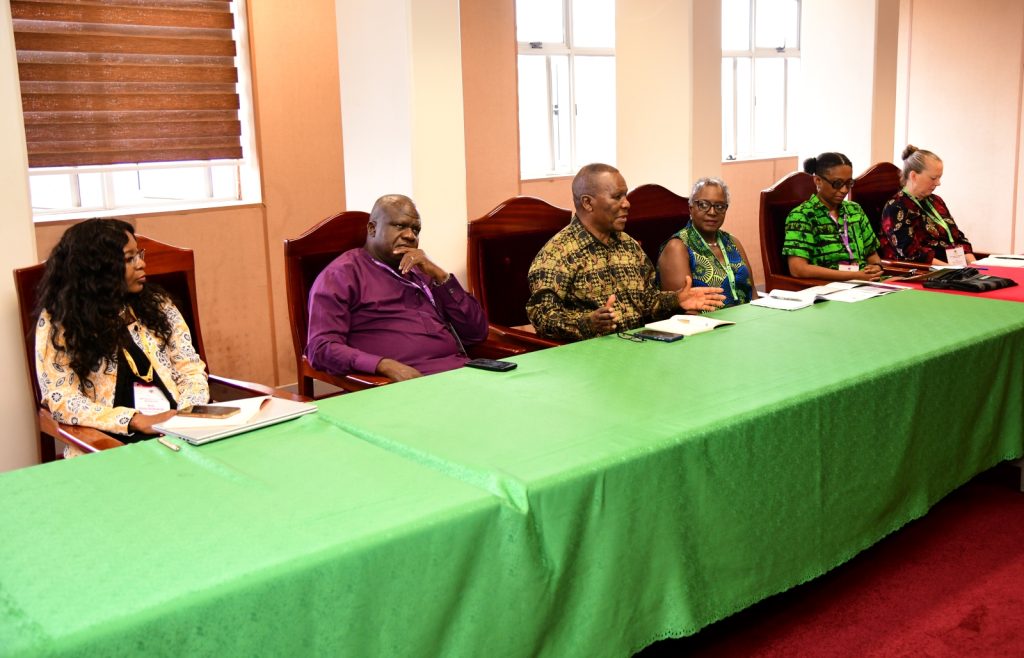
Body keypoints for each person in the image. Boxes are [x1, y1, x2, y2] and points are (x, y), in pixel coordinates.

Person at [35, 219, 209, 453]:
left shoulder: (158, 305)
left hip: (178, 433)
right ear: (99, 268)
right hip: (106, 442)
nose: (142, 264)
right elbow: (62, 398)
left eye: (139, 254)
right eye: (129, 259)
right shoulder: (61, 322)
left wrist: (185, 415)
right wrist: (134, 420)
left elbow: (190, 369)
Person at [526, 163, 726, 342]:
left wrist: (676, 299)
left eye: (626, 195)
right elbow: (543, 318)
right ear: (588, 203)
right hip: (590, 357)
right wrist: (589, 322)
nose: (627, 203)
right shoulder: (557, 254)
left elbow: (648, 301)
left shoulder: (629, 246)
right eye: (617, 197)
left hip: (641, 346)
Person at [306, 194, 488, 382]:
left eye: (416, 230)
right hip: (407, 384)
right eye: (400, 226)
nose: (410, 236)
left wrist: (441, 276)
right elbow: (321, 348)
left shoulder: (422, 271)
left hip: (461, 373)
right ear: (372, 229)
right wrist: (382, 365)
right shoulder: (341, 275)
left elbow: (477, 333)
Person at [782, 152, 883, 282]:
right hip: (830, 288)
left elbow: (872, 254)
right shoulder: (802, 216)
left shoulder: (855, 210)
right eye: (837, 184)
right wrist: (854, 276)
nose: (844, 190)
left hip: (866, 283)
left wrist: (876, 266)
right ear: (818, 180)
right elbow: (798, 269)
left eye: (849, 183)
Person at [658, 177, 757, 306]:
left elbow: (753, 291)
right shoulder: (677, 247)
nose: (712, 212)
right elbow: (681, 310)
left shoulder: (733, 242)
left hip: (746, 319)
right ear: (691, 208)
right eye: (704, 205)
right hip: (706, 323)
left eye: (719, 206)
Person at [878, 145, 975, 265]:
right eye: (933, 178)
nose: (938, 183)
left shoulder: (936, 201)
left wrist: (974, 265)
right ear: (913, 176)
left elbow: (957, 237)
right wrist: (951, 269)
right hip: (922, 272)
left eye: (939, 177)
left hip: (953, 269)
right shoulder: (896, 207)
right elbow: (910, 253)